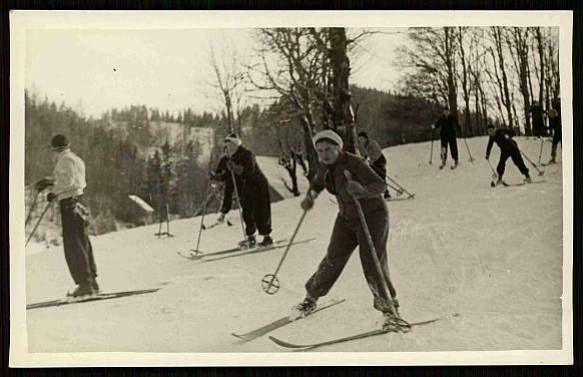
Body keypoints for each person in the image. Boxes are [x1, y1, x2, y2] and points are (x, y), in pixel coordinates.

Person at [291, 129, 402, 330]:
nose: (323, 154)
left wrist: (361, 189)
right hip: (346, 217)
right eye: (319, 151)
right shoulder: (324, 166)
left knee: (372, 261)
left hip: (372, 215)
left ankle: (390, 311)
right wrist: (310, 197)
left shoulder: (355, 163)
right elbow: (317, 183)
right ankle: (311, 298)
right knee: (333, 258)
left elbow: (379, 185)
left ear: (338, 148)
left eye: (328, 149)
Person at [34, 135, 98, 297]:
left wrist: (53, 192)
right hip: (79, 200)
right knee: (82, 240)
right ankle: (91, 281)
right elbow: (72, 179)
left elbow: (68, 181)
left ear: (55, 148)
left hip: (70, 203)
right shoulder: (75, 158)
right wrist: (50, 182)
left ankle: (85, 284)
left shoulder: (64, 160)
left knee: (73, 243)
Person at [210, 134, 273, 248]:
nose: (227, 148)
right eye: (226, 146)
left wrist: (235, 167)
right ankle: (251, 238)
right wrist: (216, 177)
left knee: (260, 211)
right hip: (245, 188)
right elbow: (228, 176)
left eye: (230, 145)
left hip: (257, 185)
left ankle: (266, 237)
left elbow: (249, 170)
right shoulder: (229, 158)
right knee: (247, 213)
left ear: (235, 145)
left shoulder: (246, 154)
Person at [357, 131, 391, 199]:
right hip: (374, 162)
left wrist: (372, 160)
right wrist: (364, 159)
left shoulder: (372, 143)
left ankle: (386, 193)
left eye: (362, 139)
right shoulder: (365, 145)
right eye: (360, 139)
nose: (361, 141)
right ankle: (377, 192)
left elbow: (377, 152)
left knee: (381, 176)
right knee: (374, 176)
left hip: (380, 160)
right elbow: (367, 154)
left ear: (366, 138)